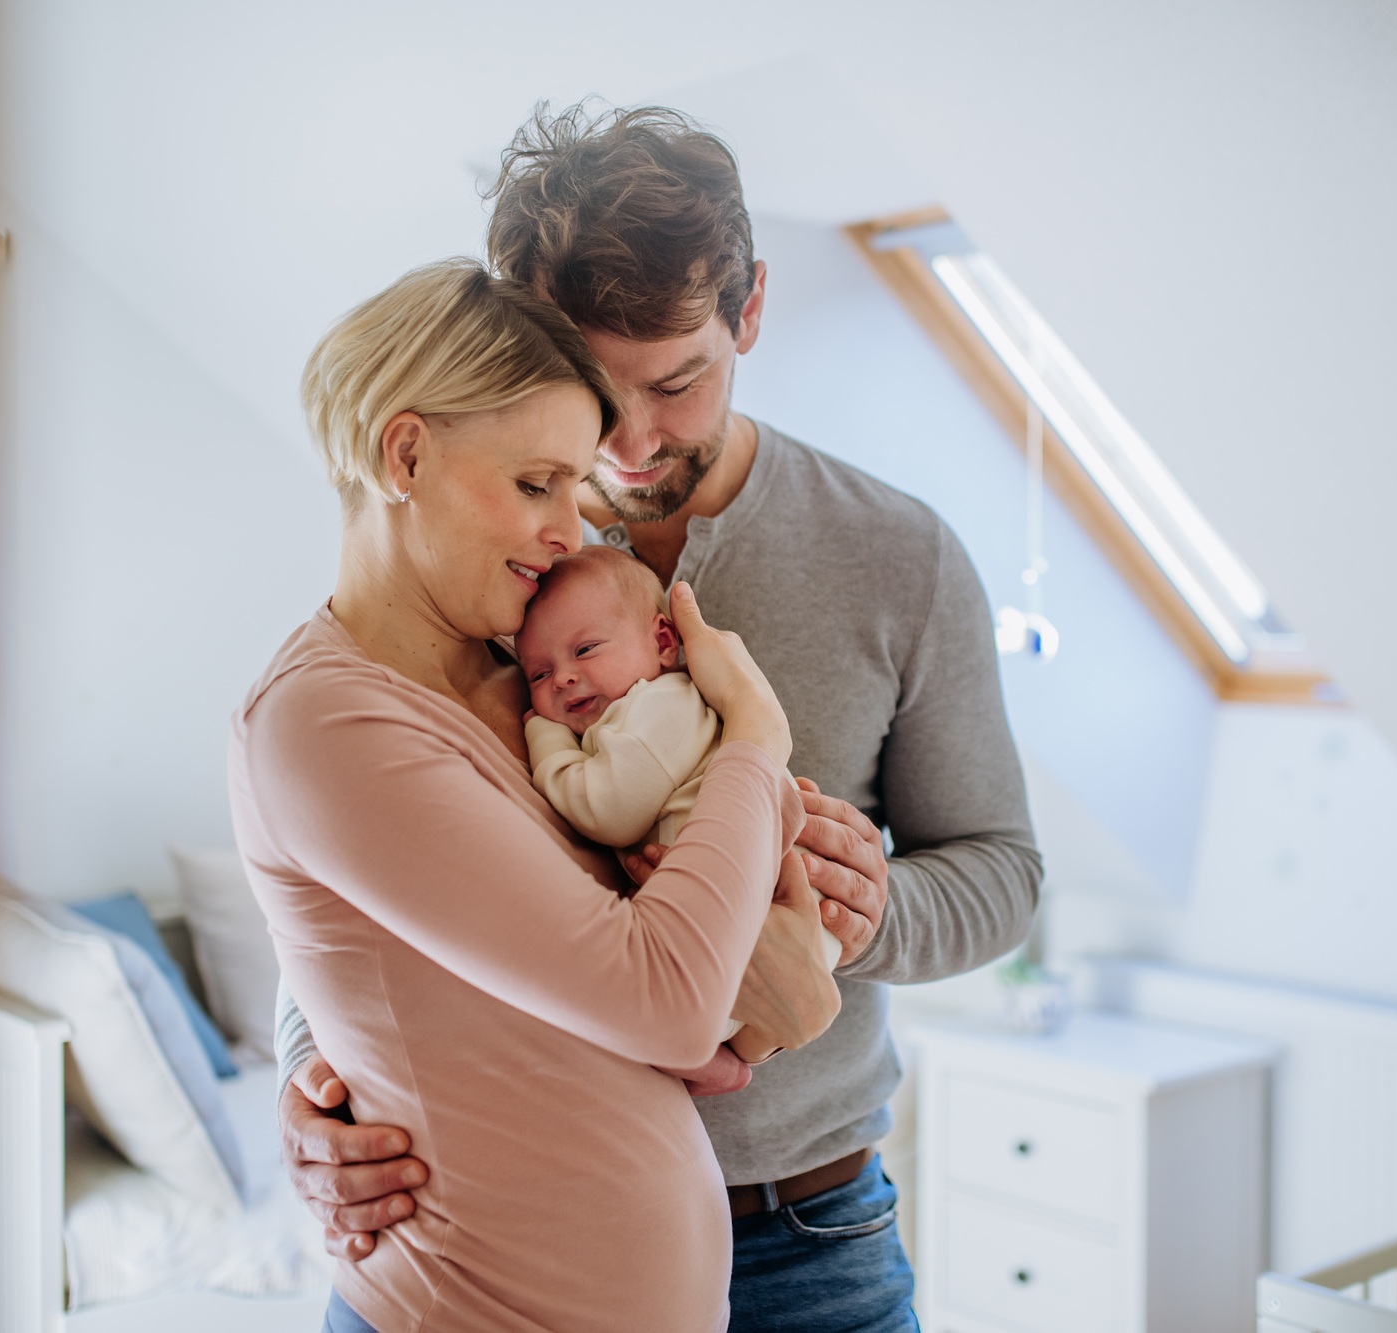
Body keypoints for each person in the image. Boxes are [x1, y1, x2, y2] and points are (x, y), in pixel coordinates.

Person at [277, 104, 1043, 1332]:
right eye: (587, 391)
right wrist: (307, 1068)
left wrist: (864, 911)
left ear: (747, 312)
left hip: (802, 1239)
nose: (627, 448)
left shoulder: (895, 556)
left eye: (675, 383)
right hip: (496, 1242)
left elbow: (1004, 875)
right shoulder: (476, 558)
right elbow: (350, 851)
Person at [233, 257, 840, 1331]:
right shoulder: (322, 720)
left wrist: (798, 949)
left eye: (573, 484)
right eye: (534, 484)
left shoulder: (521, 678)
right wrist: (756, 731)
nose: (572, 530)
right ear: (405, 452)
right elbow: (661, 994)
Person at [516, 546, 843, 1064]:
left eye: (586, 650)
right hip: (757, 937)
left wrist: (544, 734)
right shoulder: (636, 714)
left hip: (762, 928)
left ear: (664, 640)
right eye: (536, 674)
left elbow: (606, 810)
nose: (562, 678)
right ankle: (741, 1052)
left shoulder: (657, 711)